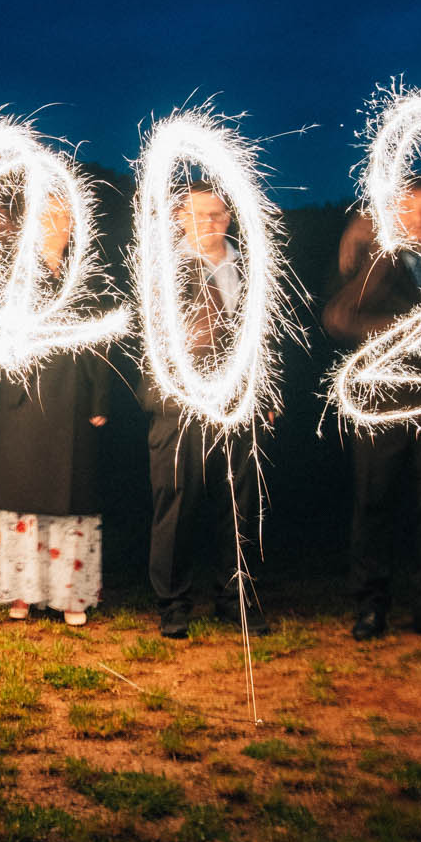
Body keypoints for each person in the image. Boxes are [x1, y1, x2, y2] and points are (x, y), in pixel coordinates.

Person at [323, 175, 421, 644]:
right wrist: (408, 327)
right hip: (384, 401)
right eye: (409, 209)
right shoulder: (371, 261)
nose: (420, 220)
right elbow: (341, 319)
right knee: (374, 503)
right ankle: (370, 606)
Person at [141, 182, 263, 639]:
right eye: (196, 214)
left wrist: (265, 397)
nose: (208, 223)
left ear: (229, 218)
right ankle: (173, 604)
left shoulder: (251, 267)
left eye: (217, 214)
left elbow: (266, 336)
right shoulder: (162, 268)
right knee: (174, 505)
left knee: (238, 506)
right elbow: (149, 336)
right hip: (179, 406)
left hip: (237, 406)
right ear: (178, 219)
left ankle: (236, 600)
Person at [0, 195, 110, 625]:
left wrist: (99, 399)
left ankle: (69, 596)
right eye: (48, 216)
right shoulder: (14, 273)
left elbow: (99, 342)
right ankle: (21, 593)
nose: (57, 224)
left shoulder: (84, 275)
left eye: (64, 217)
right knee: (22, 494)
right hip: (23, 399)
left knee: (70, 495)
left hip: (72, 400)